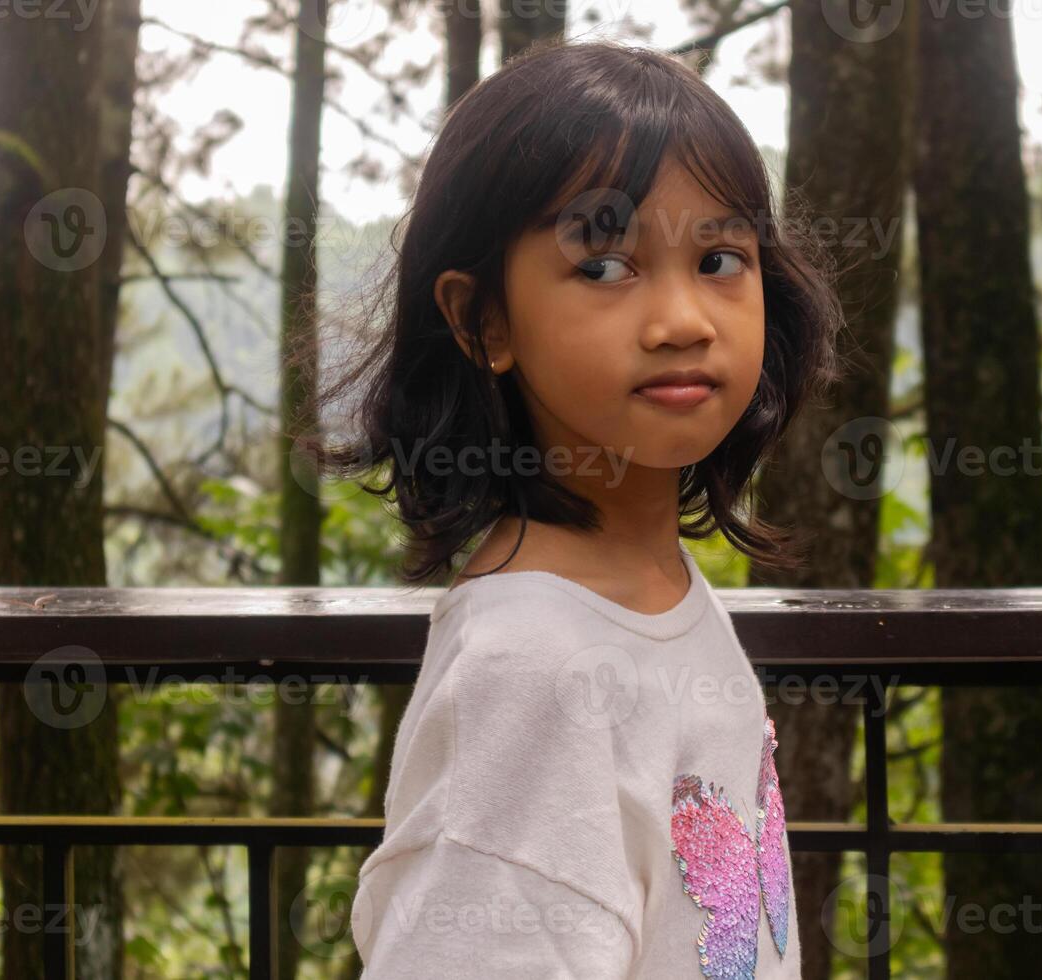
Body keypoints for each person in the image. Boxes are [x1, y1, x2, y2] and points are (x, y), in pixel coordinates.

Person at [311, 37, 844, 979]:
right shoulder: (532, 668)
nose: (683, 317)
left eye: (720, 257)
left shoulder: (651, 591)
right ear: (486, 321)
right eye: (603, 267)